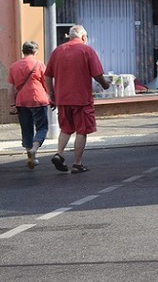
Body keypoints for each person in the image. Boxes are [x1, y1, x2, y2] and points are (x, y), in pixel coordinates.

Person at [44, 25, 112, 174]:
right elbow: (97, 74)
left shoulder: (57, 51)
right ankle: (77, 163)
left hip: (62, 98)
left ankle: (59, 154)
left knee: (66, 129)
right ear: (83, 37)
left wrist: (51, 94)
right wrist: (105, 85)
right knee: (82, 131)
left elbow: (47, 75)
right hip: (81, 98)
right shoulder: (86, 50)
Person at [7, 40, 51, 169]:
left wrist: (12, 104)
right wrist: (51, 96)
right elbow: (46, 83)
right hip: (39, 99)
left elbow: (10, 88)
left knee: (26, 129)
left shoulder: (14, 66)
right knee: (42, 128)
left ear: (23, 51)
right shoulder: (39, 64)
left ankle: (30, 156)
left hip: (21, 101)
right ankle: (34, 149)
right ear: (35, 51)